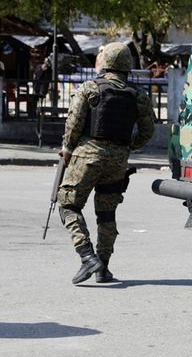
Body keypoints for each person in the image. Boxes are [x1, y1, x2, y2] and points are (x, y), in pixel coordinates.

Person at [57, 42, 155, 285]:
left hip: (88, 156)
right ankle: (103, 267)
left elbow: (74, 123)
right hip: (118, 160)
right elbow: (147, 131)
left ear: (106, 61)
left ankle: (88, 257)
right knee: (106, 213)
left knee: (68, 205)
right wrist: (127, 147)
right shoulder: (137, 95)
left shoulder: (91, 88)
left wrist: (68, 149)